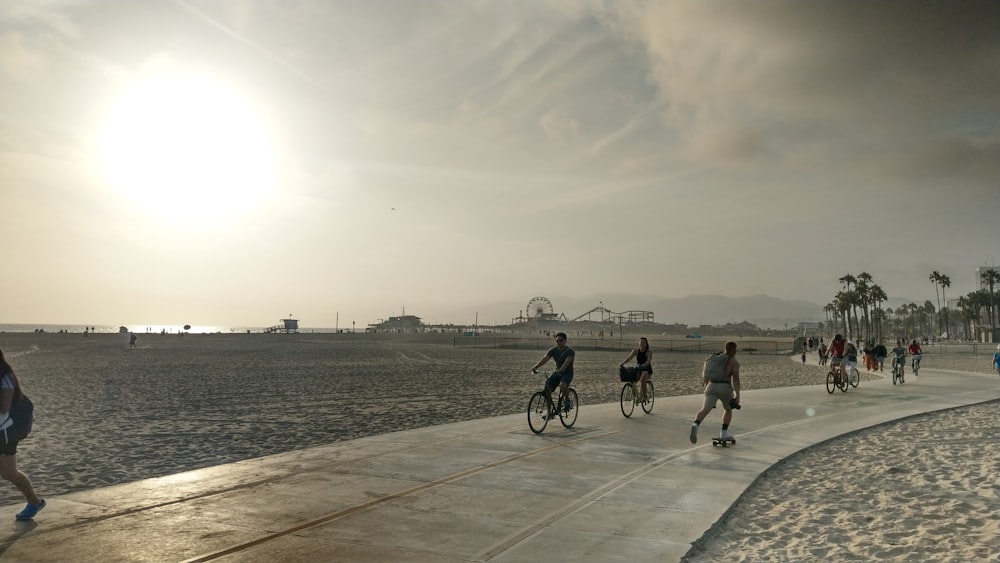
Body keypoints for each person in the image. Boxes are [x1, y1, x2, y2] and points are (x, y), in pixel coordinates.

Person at [0, 350, 46, 520]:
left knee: (9, 473)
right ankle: (34, 501)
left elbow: (3, 408)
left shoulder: (5, 378)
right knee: (7, 473)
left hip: (4, 433)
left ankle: (34, 501)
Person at [689, 341, 741, 444]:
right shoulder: (734, 362)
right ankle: (724, 432)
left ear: (725, 348)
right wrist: (738, 394)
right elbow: (736, 379)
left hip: (711, 386)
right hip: (724, 387)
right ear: (734, 350)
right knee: (728, 409)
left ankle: (696, 424)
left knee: (704, 409)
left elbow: (708, 374)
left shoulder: (715, 358)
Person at [530, 332, 575, 413]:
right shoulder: (552, 350)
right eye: (557, 341)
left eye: (560, 341)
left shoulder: (570, 351)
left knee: (563, 386)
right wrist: (536, 366)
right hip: (557, 372)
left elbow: (567, 362)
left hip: (567, 373)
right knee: (547, 390)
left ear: (565, 341)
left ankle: (567, 401)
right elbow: (545, 359)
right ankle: (549, 411)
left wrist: (561, 369)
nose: (558, 342)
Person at [619, 337, 653, 402]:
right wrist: (622, 363)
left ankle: (644, 396)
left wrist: (645, 364)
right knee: (632, 379)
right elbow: (628, 358)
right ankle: (636, 394)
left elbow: (648, 361)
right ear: (639, 343)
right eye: (641, 342)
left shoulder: (648, 352)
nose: (642, 343)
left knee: (642, 380)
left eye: (644, 342)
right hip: (638, 368)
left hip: (647, 369)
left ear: (646, 344)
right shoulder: (636, 351)